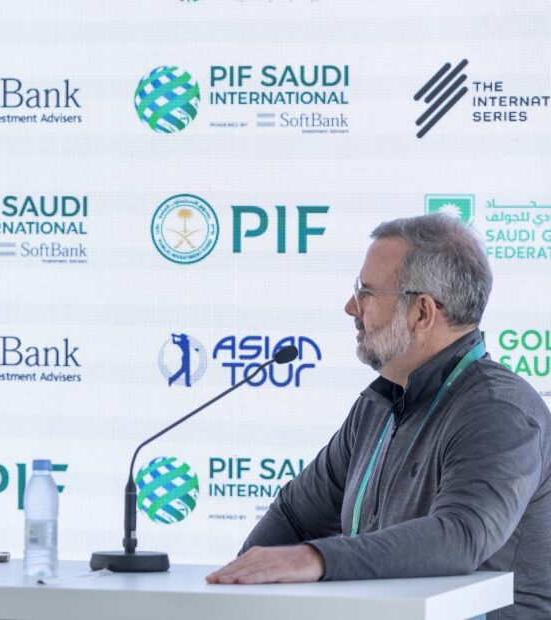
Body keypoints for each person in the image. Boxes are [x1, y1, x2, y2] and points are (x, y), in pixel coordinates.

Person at [206, 213, 551, 618]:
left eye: (366, 292)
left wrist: (316, 560)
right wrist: (237, 595)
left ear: (422, 312)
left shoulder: (498, 410)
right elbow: (295, 517)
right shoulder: (378, 405)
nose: (351, 307)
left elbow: (461, 536)